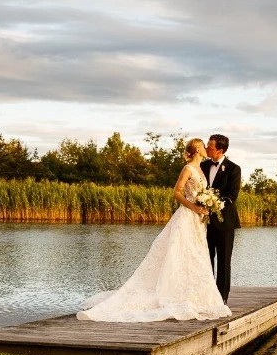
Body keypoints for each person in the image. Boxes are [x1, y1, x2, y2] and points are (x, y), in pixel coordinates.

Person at [77, 138, 232, 322]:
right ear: (198, 148)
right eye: (204, 145)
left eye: (210, 145)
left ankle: (192, 294)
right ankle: (173, 294)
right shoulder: (188, 168)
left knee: (194, 256)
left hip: (199, 221)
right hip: (187, 216)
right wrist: (194, 206)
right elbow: (176, 192)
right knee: (179, 253)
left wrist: (206, 203)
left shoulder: (202, 168)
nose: (207, 148)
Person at [202, 134, 241, 304]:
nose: (206, 149)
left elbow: (232, 195)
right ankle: (207, 295)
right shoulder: (202, 166)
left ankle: (222, 298)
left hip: (225, 222)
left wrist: (213, 202)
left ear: (220, 149)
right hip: (203, 223)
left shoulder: (233, 169)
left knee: (224, 262)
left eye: (210, 147)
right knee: (205, 259)